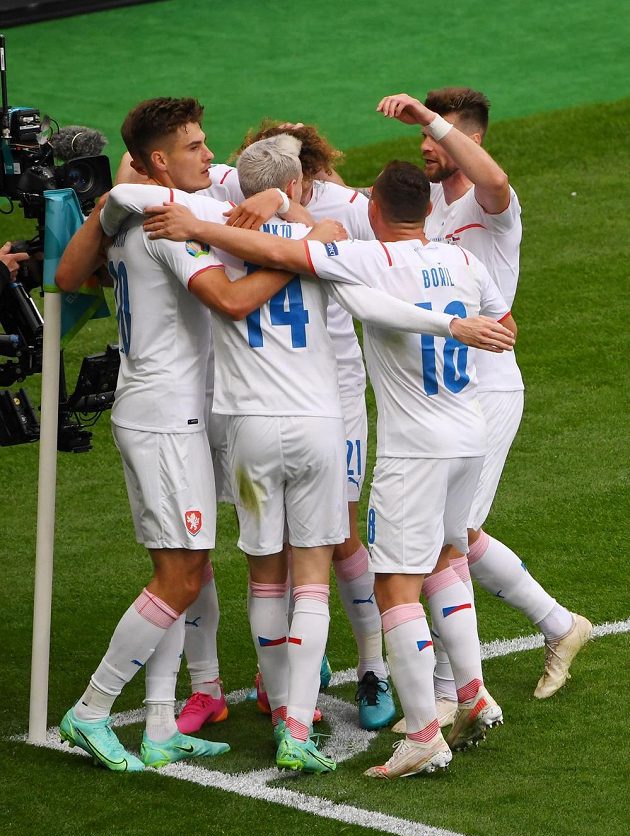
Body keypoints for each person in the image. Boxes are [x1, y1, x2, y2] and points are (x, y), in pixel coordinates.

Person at [140, 159, 517, 778]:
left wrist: (196, 223)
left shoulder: (366, 258)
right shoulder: (466, 262)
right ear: (426, 210)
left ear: (374, 212)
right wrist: (452, 322)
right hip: (467, 435)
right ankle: (472, 691)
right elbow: (505, 327)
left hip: (404, 447)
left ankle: (422, 732)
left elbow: (275, 256)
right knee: (449, 558)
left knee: (394, 583)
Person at [54, 97, 325, 772]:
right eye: (197, 147)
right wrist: (301, 257)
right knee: (177, 577)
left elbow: (64, 276)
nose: (212, 157)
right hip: (164, 418)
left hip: (165, 412)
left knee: (187, 567)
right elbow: (231, 302)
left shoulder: (133, 213)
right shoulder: (166, 225)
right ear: (158, 161)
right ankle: (91, 710)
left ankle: (157, 726)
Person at [377, 89, 591, 709]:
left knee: (455, 534)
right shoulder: (434, 212)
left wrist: (432, 121)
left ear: (464, 137)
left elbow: (493, 176)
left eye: (436, 140)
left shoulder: (492, 205)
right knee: (450, 535)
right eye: (421, 142)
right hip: (446, 394)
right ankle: (557, 626)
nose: (426, 150)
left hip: (490, 388)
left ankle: (453, 689)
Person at [209, 121, 395, 730]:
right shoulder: (325, 228)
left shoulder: (216, 228)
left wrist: (275, 204)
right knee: (300, 553)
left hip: (324, 402)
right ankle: (291, 679)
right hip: (310, 409)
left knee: (333, 539)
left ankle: (372, 667)